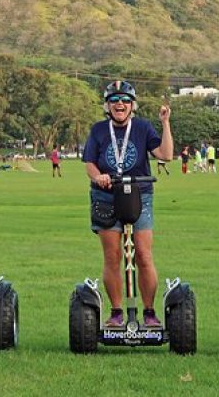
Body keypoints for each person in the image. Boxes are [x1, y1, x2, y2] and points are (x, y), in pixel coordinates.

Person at [83, 80, 173, 327]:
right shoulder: (99, 130)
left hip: (139, 194)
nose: (119, 104)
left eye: (124, 100)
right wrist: (97, 176)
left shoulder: (143, 128)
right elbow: (90, 162)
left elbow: (165, 155)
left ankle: (149, 312)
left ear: (132, 105)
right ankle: (115, 312)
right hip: (106, 196)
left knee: (143, 255)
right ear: (107, 105)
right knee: (112, 256)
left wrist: (165, 123)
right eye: (114, 100)